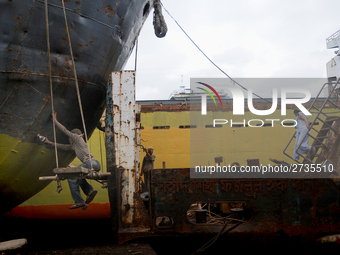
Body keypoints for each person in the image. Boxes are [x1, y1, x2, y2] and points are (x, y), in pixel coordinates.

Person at [43, 112, 99, 210]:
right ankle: (90, 191)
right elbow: (64, 147)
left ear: (73, 136)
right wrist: (50, 142)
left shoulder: (77, 138)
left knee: (72, 177)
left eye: (70, 137)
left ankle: (79, 201)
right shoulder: (76, 146)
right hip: (94, 164)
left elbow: (65, 131)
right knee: (79, 177)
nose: (69, 139)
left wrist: (55, 121)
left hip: (90, 163)